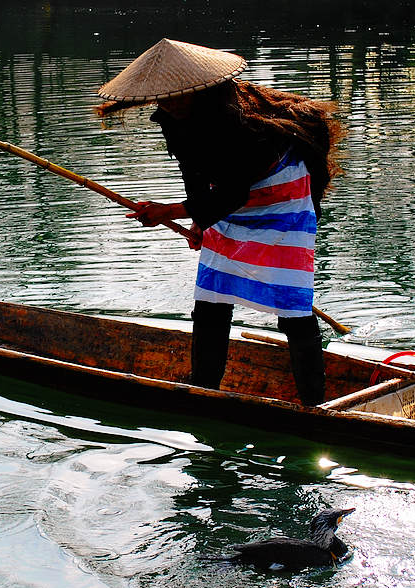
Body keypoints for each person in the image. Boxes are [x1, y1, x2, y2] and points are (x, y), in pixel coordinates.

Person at [96, 38, 342, 405]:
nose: (170, 103)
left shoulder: (240, 125)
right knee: (210, 298)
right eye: (163, 97)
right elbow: (195, 174)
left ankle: (316, 404)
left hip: (280, 195)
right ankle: (204, 388)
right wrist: (200, 220)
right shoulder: (170, 119)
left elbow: (234, 193)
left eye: (178, 96)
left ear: (201, 91)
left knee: (291, 305)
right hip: (229, 193)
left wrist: (172, 211)